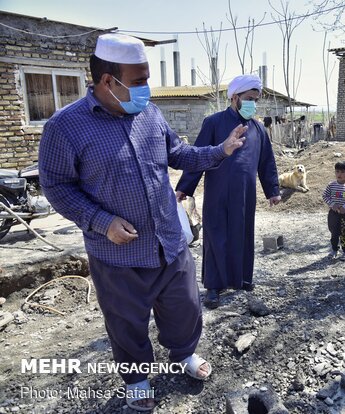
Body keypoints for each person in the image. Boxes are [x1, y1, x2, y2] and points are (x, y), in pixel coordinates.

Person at [38, 34, 247, 411]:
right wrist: (102, 222)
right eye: (139, 81)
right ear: (107, 81)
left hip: (168, 240)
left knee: (185, 308)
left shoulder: (149, 114)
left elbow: (178, 153)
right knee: (127, 324)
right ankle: (136, 380)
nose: (147, 89)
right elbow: (56, 186)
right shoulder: (65, 127)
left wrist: (222, 149)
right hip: (117, 254)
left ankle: (183, 354)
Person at [176, 74, 281, 309]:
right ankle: (213, 287)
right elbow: (198, 155)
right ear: (235, 97)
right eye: (250, 98)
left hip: (246, 195)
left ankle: (241, 279)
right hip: (218, 193)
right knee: (216, 236)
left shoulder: (258, 129)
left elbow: (267, 162)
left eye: (256, 99)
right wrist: (185, 187)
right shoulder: (213, 123)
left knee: (242, 234)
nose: (254, 103)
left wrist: (272, 190)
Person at [322, 161, 345, 260]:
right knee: (334, 231)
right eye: (337, 171)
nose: (339, 174)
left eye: (342, 172)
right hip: (333, 213)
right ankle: (334, 250)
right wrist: (333, 205)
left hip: (344, 214)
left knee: (344, 232)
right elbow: (325, 196)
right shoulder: (331, 185)